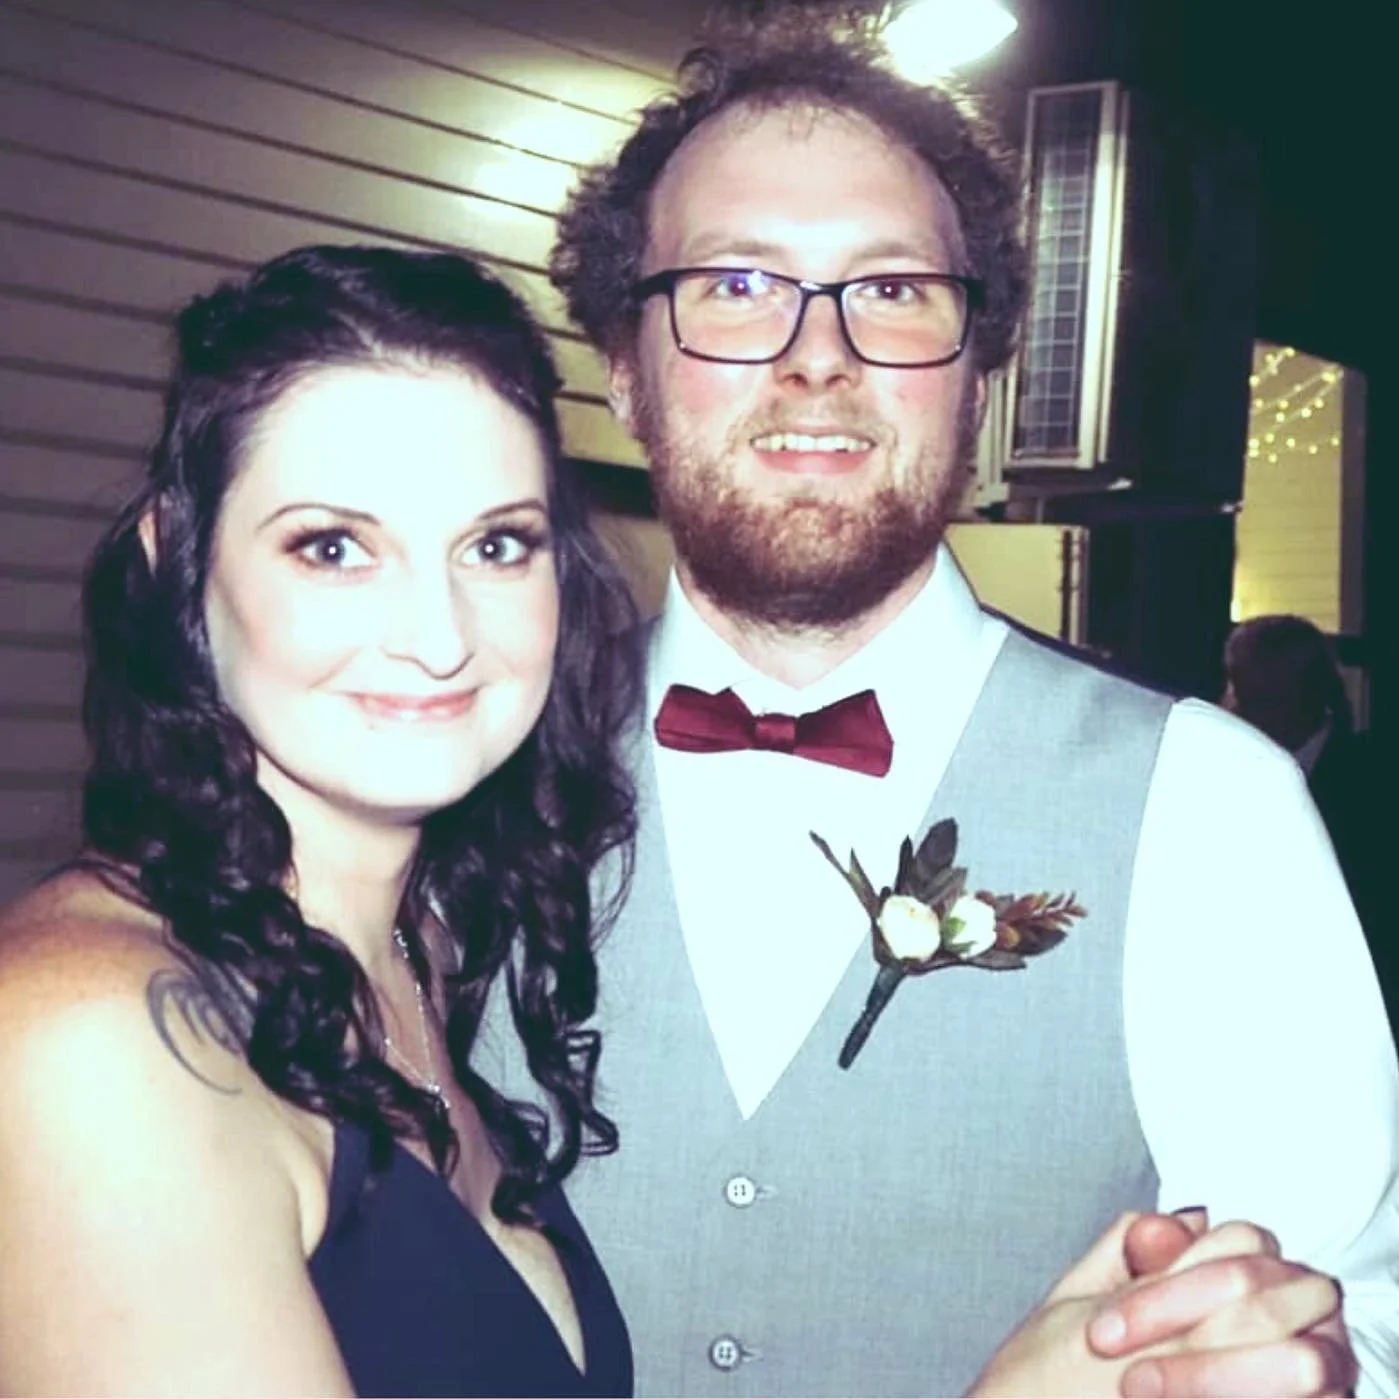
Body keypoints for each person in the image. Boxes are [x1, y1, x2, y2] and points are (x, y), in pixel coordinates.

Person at [472, 6, 1399, 1396]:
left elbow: (1353, 1306)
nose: (817, 355)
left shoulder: (1206, 801)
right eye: (733, 283)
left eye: (891, 288)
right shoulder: (456, 771)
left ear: (979, 371)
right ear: (623, 366)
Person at [0, 245, 641, 1396]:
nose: (439, 636)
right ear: (175, 562)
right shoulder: (90, 1042)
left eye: (497, 545)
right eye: (334, 547)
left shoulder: (423, 948)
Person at [1224, 613, 1390, 1031]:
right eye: (1239, 696)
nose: (1243, 715)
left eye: (1264, 701)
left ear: (1312, 695)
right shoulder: (1226, 777)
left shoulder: (1374, 788)